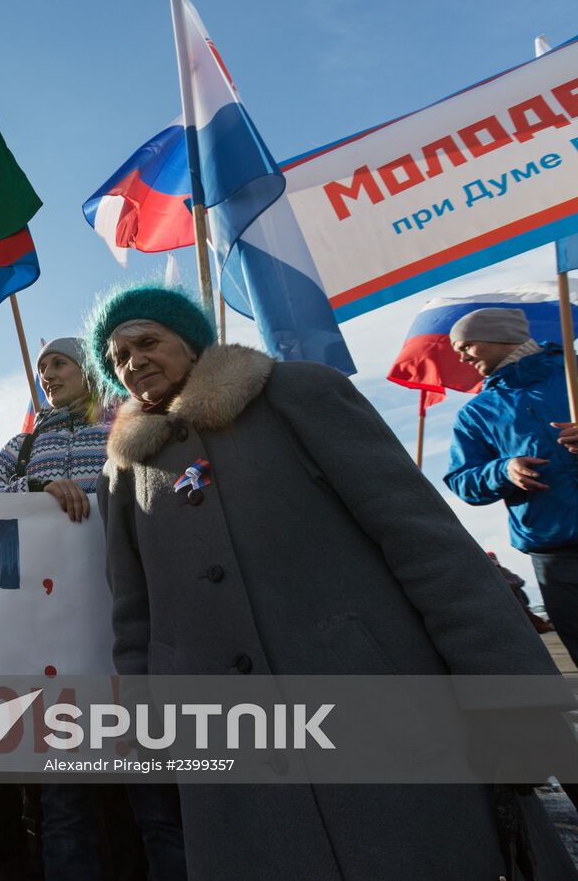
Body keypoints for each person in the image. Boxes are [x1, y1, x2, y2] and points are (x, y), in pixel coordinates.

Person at [91, 285, 572, 879]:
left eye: (146, 342)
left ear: (189, 344)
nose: (132, 360)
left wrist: (507, 694)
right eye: (117, 357)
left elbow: (427, 545)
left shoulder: (296, 393)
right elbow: (134, 617)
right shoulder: (121, 472)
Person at [0, 338, 185, 879]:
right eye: (42, 367)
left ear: (88, 369)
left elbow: (165, 486)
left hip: (130, 638)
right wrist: (39, 487)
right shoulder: (23, 444)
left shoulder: (129, 421)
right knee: (65, 808)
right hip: (58, 651)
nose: (47, 374)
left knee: (156, 805)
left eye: (58, 363)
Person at [444, 308, 578, 663]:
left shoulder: (573, 374)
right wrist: (503, 470)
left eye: (466, 345)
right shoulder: (475, 414)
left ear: (501, 336)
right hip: (555, 556)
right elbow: (462, 481)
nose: (460, 356)